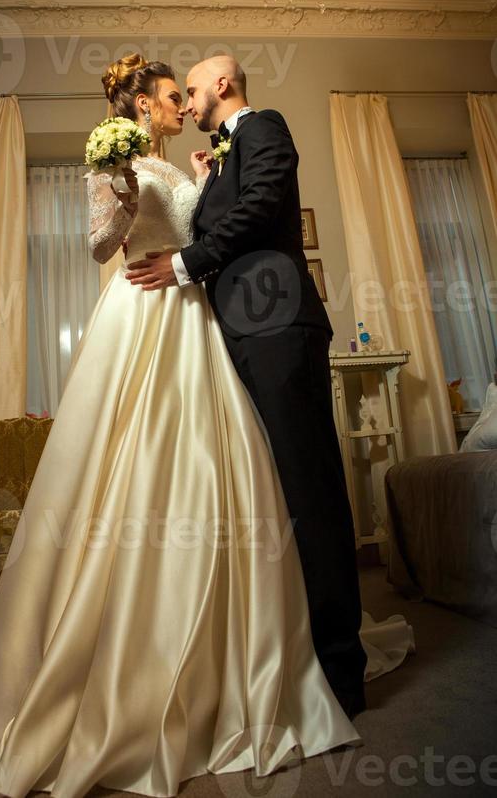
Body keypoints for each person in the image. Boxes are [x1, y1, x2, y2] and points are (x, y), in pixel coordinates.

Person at [0, 54, 363, 798]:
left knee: (225, 470)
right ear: (142, 104)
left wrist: (204, 184)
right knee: (130, 469)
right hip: (142, 312)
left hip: (198, 322)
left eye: (189, 95)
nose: (184, 106)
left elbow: (215, 226)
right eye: (174, 97)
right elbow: (101, 245)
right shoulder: (115, 162)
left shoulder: (204, 161)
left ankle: (244, 648)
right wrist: (114, 187)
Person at [124, 55, 368, 720]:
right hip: (235, 336)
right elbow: (232, 208)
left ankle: (343, 671)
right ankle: (291, 655)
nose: (192, 105)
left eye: (196, 92)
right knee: (267, 495)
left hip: (278, 327)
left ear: (223, 86)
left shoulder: (264, 126)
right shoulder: (220, 157)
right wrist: (207, 189)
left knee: (310, 491)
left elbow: (262, 206)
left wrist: (185, 261)